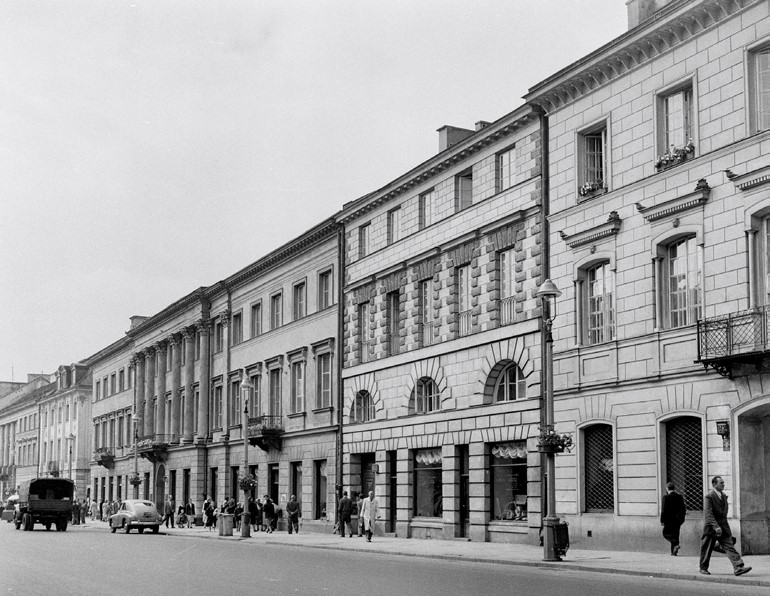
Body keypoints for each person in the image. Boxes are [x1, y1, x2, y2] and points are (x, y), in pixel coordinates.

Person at [699, 476, 752, 576]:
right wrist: (716, 526)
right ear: (714, 485)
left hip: (723, 527)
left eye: (723, 483)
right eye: (721, 483)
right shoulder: (709, 496)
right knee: (707, 547)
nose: (723, 484)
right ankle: (703, 568)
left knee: (729, 546)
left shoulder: (723, 496)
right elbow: (708, 514)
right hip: (711, 527)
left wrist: (724, 527)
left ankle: (738, 567)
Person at [660, 481, 686, 555]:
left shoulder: (666, 497)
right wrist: (682, 519)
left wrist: (662, 520)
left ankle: (675, 544)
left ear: (667, 488)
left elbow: (663, 510)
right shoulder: (679, 497)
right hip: (677, 520)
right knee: (675, 534)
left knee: (665, 533)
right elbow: (683, 509)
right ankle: (674, 552)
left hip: (668, 520)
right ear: (674, 488)